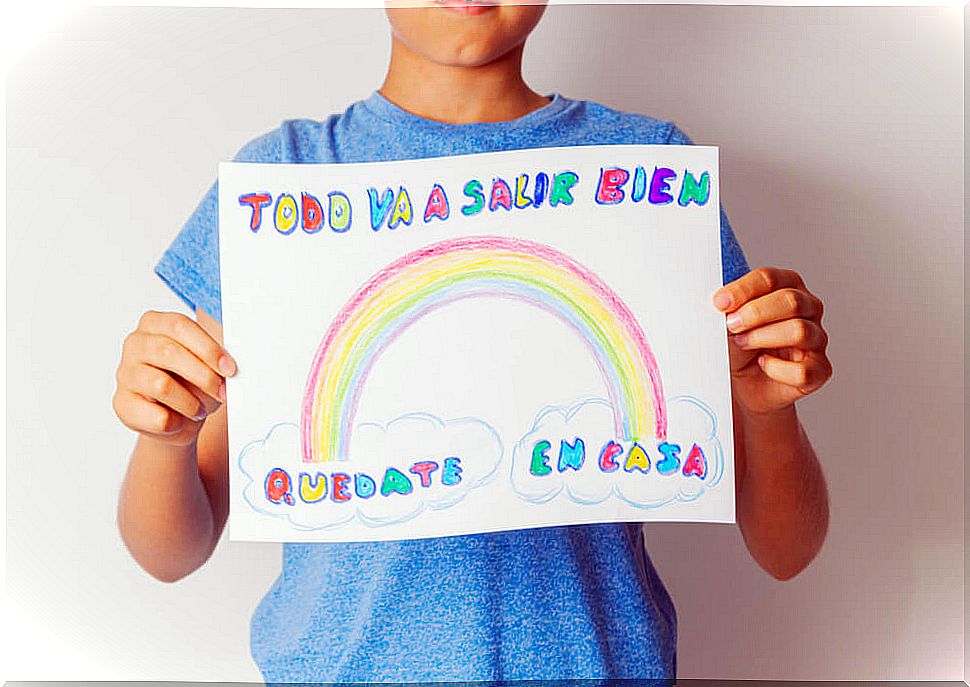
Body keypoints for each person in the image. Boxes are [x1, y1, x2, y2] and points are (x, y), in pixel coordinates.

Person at [113, 1, 831, 682]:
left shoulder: (652, 171)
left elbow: (787, 550)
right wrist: (166, 438)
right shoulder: (282, 182)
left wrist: (769, 409)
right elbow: (170, 552)